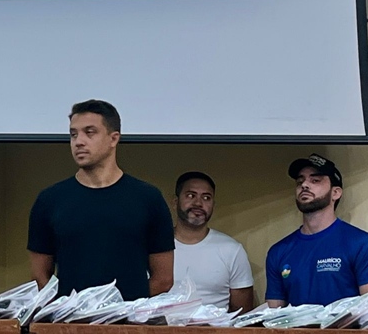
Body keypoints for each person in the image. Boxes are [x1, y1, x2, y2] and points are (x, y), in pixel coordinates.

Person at [27, 99, 174, 300]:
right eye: (73, 134)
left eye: (90, 132)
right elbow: (39, 276)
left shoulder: (148, 198)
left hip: (128, 317)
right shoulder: (50, 200)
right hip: (69, 317)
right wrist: (65, 309)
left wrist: (122, 307)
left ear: (113, 139)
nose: (79, 141)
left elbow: (164, 279)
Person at [266, 153, 368, 307]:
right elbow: (274, 315)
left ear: (335, 193)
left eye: (315, 180)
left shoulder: (364, 244)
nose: (304, 185)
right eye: (300, 182)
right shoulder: (278, 251)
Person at [172, 171, 254, 311]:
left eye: (206, 198)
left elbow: (242, 313)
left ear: (213, 206)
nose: (198, 203)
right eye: (191, 195)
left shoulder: (231, 250)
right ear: (175, 202)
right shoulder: (153, 246)